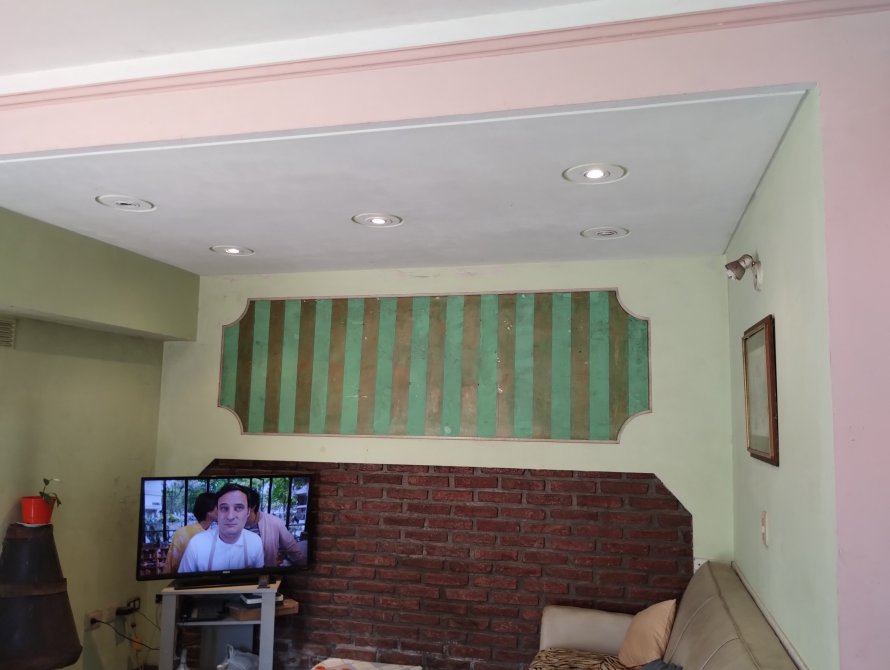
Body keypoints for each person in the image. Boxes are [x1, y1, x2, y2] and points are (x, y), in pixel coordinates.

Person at [178, 483, 264, 573]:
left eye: (238, 508)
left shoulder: (255, 542)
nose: (230, 516)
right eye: (224, 508)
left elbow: (259, 578)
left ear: (248, 512)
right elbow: (183, 580)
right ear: (218, 512)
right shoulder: (197, 544)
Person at [245, 488, 304, 567]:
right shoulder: (229, 524)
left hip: (266, 572)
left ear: (252, 507)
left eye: (239, 507)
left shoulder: (274, 522)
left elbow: (294, 551)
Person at [164, 491, 217, 573]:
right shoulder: (182, 534)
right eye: (219, 507)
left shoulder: (218, 534)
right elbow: (170, 567)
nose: (223, 511)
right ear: (208, 509)